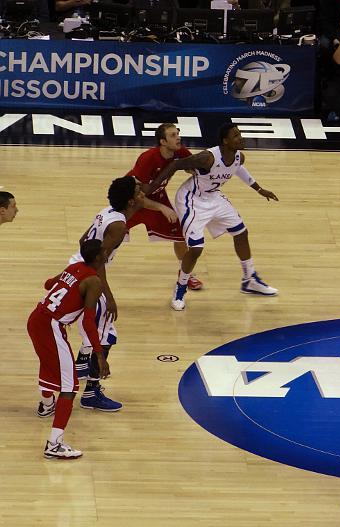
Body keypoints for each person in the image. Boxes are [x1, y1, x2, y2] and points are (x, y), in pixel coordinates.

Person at [144, 123, 280, 311]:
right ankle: (180, 288)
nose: (240, 138)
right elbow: (176, 164)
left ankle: (249, 280)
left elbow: (238, 167)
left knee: (241, 233)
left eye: (240, 134)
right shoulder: (208, 157)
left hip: (213, 197)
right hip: (191, 199)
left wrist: (259, 189)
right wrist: (153, 187)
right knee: (197, 247)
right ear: (225, 141)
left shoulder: (239, 156)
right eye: (235, 135)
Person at [29, 239, 110, 459]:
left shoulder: (74, 268)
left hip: (36, 318)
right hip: (51, 326)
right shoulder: (94, 281)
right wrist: (99, 354)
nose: (106, 253)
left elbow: (48, 285)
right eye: (103, 251)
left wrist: (64, 283)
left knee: (48, 364)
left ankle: (46, 405)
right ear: (96, 258)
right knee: (70, 387)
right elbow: (87, 322)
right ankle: (54, 445)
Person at [71, 176, 146, 412]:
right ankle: (91, 393)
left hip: (75, 266)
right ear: (131, 201)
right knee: (106, 335)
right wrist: (109, 296)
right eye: (139, 191)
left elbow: (83, 240)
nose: (143, 193)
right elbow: (98, 260)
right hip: (89, 275)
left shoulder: (108, 212)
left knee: (95, 326)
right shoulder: (118, 226)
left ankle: (82, 365)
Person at [127, 123, 203, 291]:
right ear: (163, 141)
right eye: (173, 135)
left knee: (180, 235)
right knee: (111, 234)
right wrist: (162, 208)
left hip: (157, 196)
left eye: (178, 134)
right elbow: (138, 196)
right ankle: (85, 267)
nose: (178, 138)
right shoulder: (148, 158)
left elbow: (195, 168)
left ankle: (185, 275)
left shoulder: (180, 152)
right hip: (131, 201)